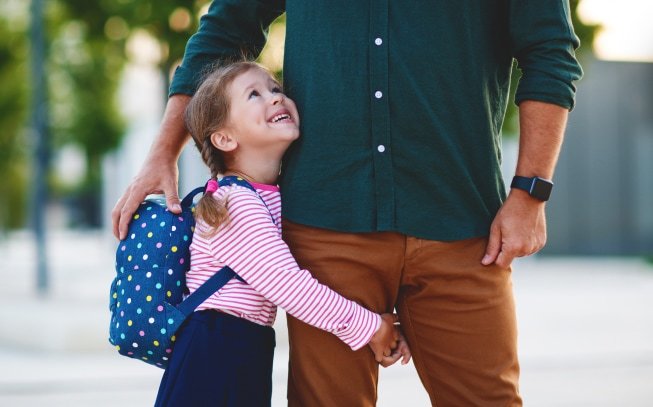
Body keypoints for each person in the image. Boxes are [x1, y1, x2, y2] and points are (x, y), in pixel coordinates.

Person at [113, 2, 583, 406]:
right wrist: (162, 151)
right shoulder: (240, 207)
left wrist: (530, 192)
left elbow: (550, 51)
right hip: (325, 223)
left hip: (461, 222)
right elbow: (223, 29)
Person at [153, 61, 411, 407]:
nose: (275, 98)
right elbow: (290, 286)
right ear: (224, 138)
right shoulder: (235, 204)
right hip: (215, 351)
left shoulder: (264, 194)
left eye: (275, 89)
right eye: (254, 94)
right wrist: (371, 328)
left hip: (238, 346)